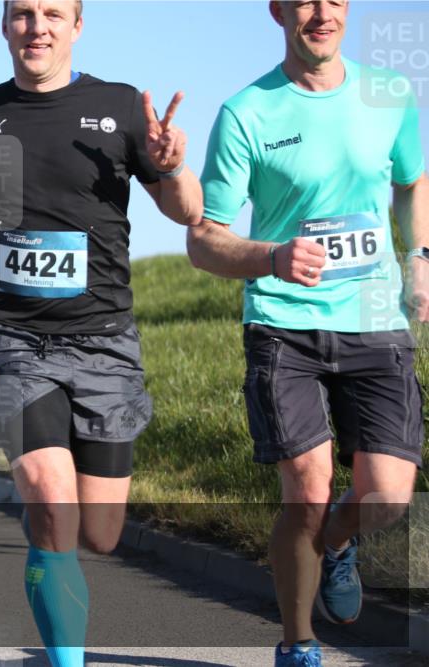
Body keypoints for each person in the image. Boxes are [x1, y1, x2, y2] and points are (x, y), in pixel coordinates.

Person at [0, 1, 202, 663]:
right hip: (13, 336)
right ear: (4, 27)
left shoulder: (119, 107)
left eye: (54, 13)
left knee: (102, 532)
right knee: (52, 496)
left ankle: (51, 556)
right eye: (24, 14)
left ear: (77, 26)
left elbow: (189, 211)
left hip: (104, 338)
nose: (38, 26)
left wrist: (171, 165)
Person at [186, 2, 426, 665]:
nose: (321, 14)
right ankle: (298, 643)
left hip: (375, 321)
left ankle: (342, 542)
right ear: (278, 10)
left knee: (385, 495)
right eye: (305, 1)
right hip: (283, 323)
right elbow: (204, 239)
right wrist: (271, 256)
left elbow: (412, 181)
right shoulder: (247, 112)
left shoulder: (389, 94)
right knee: (307, 484)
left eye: (336, 1)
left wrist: (421, 258)